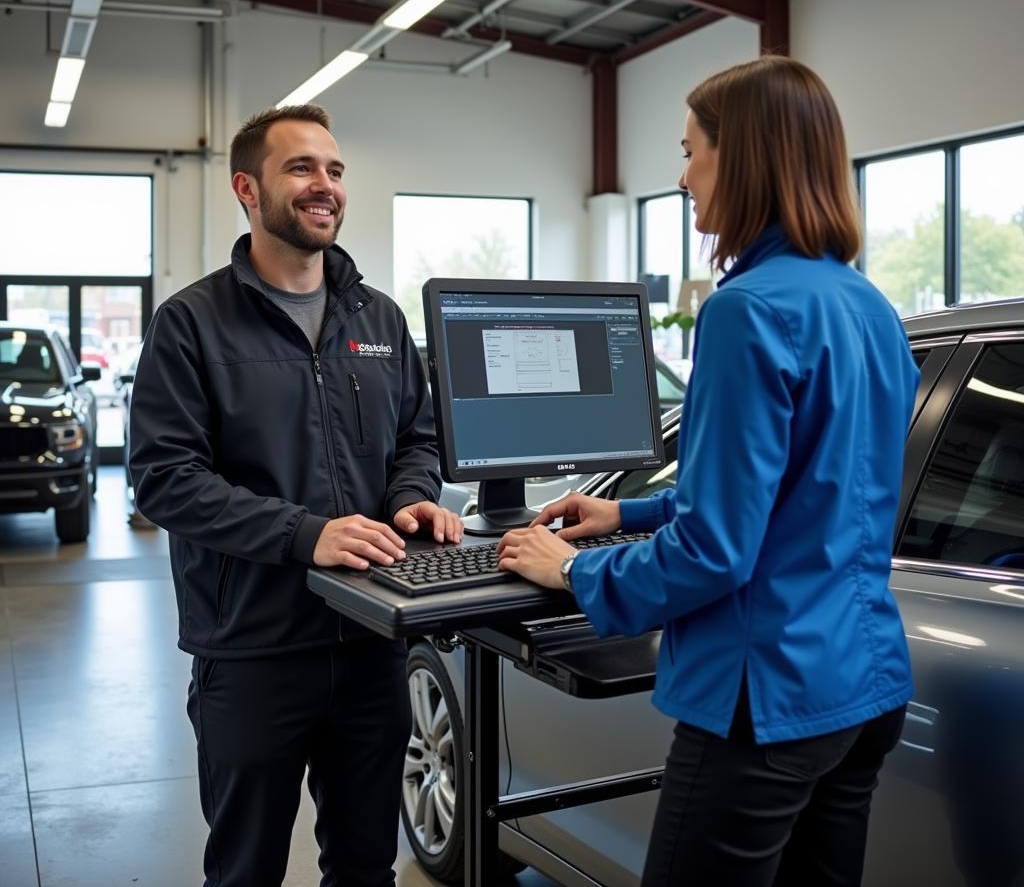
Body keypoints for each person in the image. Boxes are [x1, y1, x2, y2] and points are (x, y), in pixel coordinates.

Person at [498, 56, 917, 887]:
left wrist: (578, 571)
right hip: (863, 682)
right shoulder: (867, 305)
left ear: (745, 157)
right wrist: (628, 517)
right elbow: (813, 495)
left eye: (691, 151)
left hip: (765, 701)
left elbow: (718, 552)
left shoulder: (747, 310)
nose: (682, 177)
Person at [129, 103, 463, 887]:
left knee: (365, 865)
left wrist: (413, 497)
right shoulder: (192, 325)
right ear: (248, 188)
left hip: (374, 638)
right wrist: (303, 533)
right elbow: (166, 478)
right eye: (302, 168)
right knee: (245, 870)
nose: (326, 186)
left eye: (336, 169)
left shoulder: (377, 317)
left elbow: (417, 436)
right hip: (253, 649)